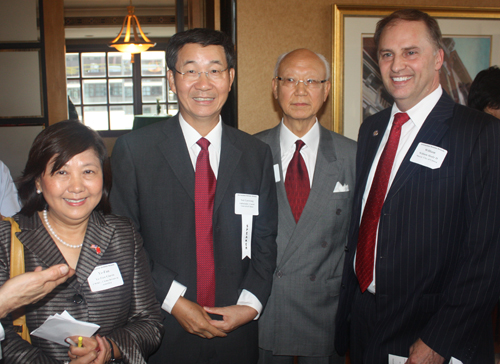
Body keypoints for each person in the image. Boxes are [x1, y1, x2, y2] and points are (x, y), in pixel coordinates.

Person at [334, 9, 500, 364]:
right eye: (387, 54)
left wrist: (438, 341)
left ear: (439, 57)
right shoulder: (372, 129)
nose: (397, 66)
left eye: (411, 52)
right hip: (365, 323)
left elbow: (487, 254)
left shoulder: (479, 133)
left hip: (431, 332)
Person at [110, 28, 278, 364]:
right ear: (172, 80)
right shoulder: (134, 150)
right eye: (190, 71)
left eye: (215, 70)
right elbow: (125, 242)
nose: (204, 83)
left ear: (230, 78)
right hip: (163, 327)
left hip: (237, 329)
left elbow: (265, 241)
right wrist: (174, 301)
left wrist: (250, 306)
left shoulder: (255, 153)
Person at [0, 120, 164, 363]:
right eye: (62, 172)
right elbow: (6, 339)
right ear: (37, 181)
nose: (77, 187)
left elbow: (150, 323)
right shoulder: (6, 238)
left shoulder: (122, 234)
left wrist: (107, 348)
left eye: (88, 171)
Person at [255, 49, 355, 364]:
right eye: (290, 80)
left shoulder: (353, 155)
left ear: (326, 90)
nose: (300, 90)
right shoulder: (249, 152)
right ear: (275, 87)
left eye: (311, 81)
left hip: (326, 307)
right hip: (267, 307)